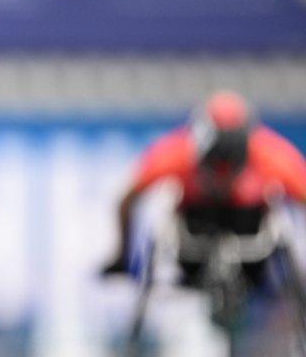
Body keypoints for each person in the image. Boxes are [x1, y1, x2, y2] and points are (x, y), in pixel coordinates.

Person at [102, 90, 306, 288]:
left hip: (251, 240)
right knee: (165, 211)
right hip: (195, 238)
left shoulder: (272, 155)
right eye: (214, 166)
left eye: (231, 166)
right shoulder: (176, 153)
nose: (221, 181)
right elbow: (128, 199)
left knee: (279, 216)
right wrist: (122, 257)